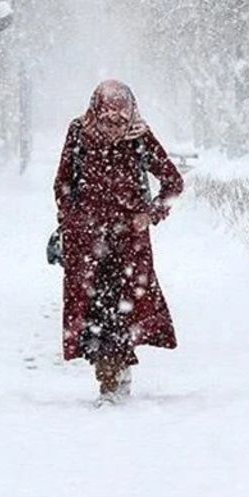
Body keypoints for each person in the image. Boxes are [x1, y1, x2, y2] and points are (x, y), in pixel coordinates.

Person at [53, 79, 185, 403]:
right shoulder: (78, 133)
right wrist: (72, 220)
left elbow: (173, 183)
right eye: (107, 120)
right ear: (96, 112)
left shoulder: (140, 138)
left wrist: (150, 214)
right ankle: (110, 377)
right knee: (94, 313)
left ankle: (114, 380)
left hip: (129, 245)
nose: (113, 128)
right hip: (87, 243)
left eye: (120, 121)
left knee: (121, 311)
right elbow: (63, 183)